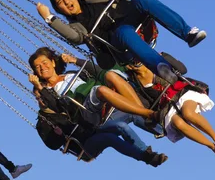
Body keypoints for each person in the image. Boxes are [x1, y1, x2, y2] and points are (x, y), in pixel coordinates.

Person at [36, 0, 207, 84]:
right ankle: (161, 66)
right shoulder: (77, 26)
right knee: (124, 31)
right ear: (59, 9)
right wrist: (49, 18)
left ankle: (188, 34)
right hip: (119, 44)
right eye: (61, 3)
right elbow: (74, 37)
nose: (67, 2)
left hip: (136, 22)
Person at [33, 90, 168, 166]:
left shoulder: (63, 103)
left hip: (94, 127)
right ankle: (146, 157)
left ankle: (163, 130)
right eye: (39, 97)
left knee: (126, 117)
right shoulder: (44, 122)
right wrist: (58, 135)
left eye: (44, 96)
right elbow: (52, 145)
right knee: (110, 138)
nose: (42, 100)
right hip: (85, 144)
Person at [124, 57, 215, 158]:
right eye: (134, 62)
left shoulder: (155, 63)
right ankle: (212, 146)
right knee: (178, 123)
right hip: (168, 106)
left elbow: (182, 69)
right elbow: (147, 105)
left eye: (138, 60)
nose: (138, 63)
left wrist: (164, 58)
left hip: (182, 91)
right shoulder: (138, 86)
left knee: (188, 113)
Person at [28, 47, 158, 126]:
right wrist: (39, 87)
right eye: (37, 67)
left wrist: (76, 61)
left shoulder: (69, 74)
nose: (42, 67)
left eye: (44, 63)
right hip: (85, 105)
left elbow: (95, 72)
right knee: (100, 90)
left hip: (95, 91)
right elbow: (56, 106)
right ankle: (148, 113)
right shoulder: (47, 91)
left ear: (53, 63)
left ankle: (143, 113)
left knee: (110, 75)